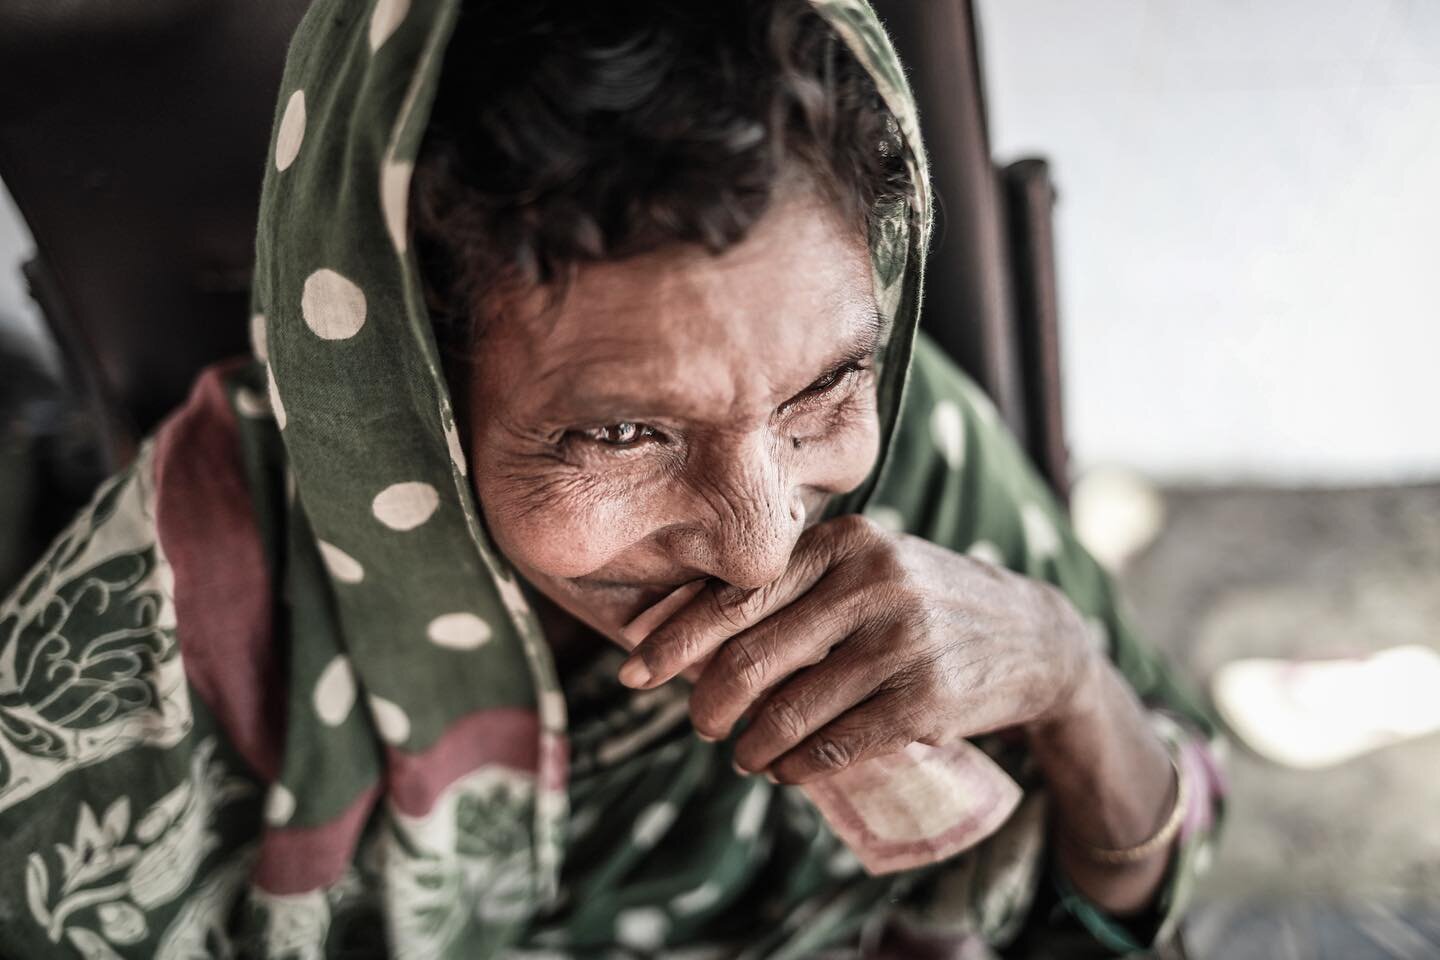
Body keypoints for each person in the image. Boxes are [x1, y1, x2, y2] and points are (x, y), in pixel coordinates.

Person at [0, 0, 1223, 956]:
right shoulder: (157, 635)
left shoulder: (925, 465)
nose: (760, 545)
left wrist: (1068, 679)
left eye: (821, 391)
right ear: (409, 384)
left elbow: (1128, 902)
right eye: (624, 434)